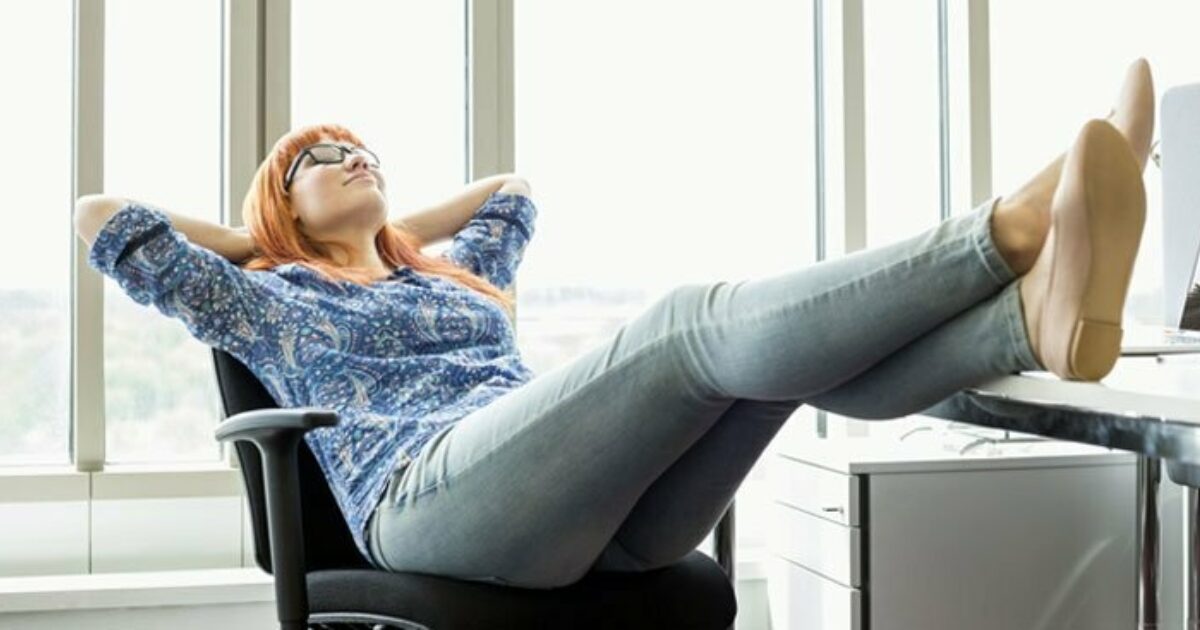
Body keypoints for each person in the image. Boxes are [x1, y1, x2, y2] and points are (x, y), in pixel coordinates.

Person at [74, 58, 1156, 590]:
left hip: (602, 524)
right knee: (691, 324)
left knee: (763, 370)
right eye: (320, 159)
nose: (352, 157)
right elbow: (102, 218)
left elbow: (512, 190)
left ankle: (1024, 326)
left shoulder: (456, 280)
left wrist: (386, 238)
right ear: (280, 203)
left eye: (361, 148)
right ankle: (1008, 232)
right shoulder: (264, 295)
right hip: (429, 506)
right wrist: (274, 244)